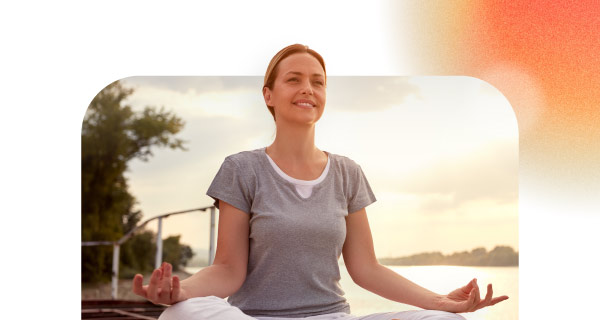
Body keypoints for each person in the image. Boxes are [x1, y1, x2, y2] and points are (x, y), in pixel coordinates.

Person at [132, 44, 509, 320]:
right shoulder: (242, 169)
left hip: (331, 317)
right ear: (269, 95)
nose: (307, 89)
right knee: (180, 315)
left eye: (317, 82)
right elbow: (229, 269)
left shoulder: (347, 172)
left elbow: (367, 269)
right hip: (255, 319)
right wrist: (181, 290)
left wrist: (442, 302)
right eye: (293, 80)